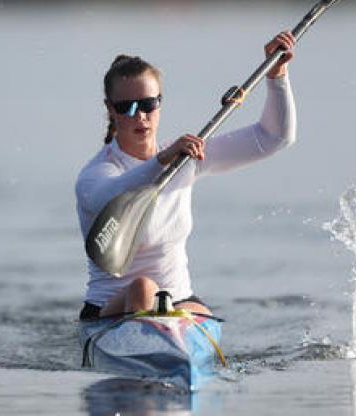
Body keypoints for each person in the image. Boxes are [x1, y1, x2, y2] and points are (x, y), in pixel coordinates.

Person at [75, 32, 296, 319]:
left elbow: (273, 137)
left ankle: (178, 343)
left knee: (189, 309)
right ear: (110, 110)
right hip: (109, 311)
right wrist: (161, 161)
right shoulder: (98, 173)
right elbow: (110, 195)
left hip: (179, 301)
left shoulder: (187, 158)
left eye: (148, 104)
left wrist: (277, 75)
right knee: (143, 288)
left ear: (160, 103)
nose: (140, 115)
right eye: (126, 107)